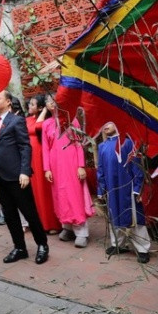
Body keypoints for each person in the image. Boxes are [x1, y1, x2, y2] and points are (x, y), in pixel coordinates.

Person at [0, 90, 49, 265]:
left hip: (17, 176)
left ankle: (42, 245)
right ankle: (19, 247)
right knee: (10, 214)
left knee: (29, 212)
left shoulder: (16, 121)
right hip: (0, 176)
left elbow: (25, 147)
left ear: (8, 102)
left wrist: (25, 171)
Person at [42, 94, 94, 248]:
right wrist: (46, 169)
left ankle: (81, 232)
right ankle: (67, 227)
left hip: (71, 164)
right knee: (60, 195)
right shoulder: (47, 124)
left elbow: (79, 144)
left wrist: (81, 165)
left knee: (74, 195)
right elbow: (45, 148)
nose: (52, 103)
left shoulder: (72, 121)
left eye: (54, 101)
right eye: (49, 101)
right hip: (55, 165)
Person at [97, 122, 151, 263]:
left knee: (134, 217)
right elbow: (101, 170)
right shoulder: (102, 146)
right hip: (112, 188)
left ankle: (142, 248)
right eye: (103, 124)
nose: (105, 126)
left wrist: (137, 188)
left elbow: (137, 166)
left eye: (109, 122)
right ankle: (117, 244)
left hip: (128, 188)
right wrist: (101, 189)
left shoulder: (128, 143)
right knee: (114, 215)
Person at [26, 95, 60, 234]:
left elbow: (37, 127)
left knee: (44, 189)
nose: (29, 107)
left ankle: (52, 223)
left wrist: (45, 111)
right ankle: (40, 222)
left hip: (41, 155)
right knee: (35, 190)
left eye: (32, 104)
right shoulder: (27, 119)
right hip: (30, 157)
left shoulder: (47, 121)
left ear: (40, 107)